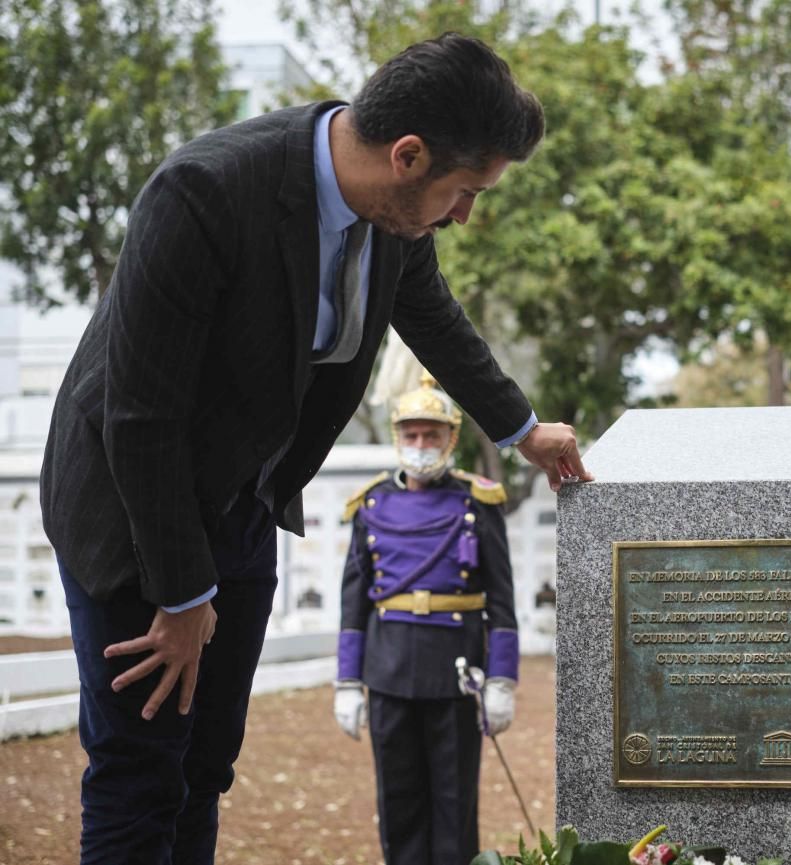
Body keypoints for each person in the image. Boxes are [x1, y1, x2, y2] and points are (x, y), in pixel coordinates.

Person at [40, 33, 591, 865]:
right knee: (139, 772)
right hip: (128, 507)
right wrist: (185, 597)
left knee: (203, 768)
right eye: (466, 190)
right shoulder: (204, 193)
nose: (465, 215)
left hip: (242, 502)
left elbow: (432, 315)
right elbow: (140, 418)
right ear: (408, 155)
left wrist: (521, 429)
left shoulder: (396, 215)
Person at [332, 373, 517, 865]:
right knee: (398, 800)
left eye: (431, 435)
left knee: (455, 802)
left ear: (451, 439)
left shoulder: (478, 502)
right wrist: (347, 681)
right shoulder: (370, 505)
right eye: (411, 435)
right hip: (388, 669)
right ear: (398, 438)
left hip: (456, 671)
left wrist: (502, 678)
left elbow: (502, 598)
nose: (420, 445)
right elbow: (354, 601)